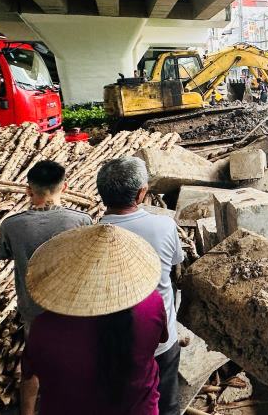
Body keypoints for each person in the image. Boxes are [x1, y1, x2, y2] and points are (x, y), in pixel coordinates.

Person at [22, 224, 166, 415]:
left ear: (68, 275)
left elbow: (31, 373)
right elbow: (161, 340)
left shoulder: (45, 327)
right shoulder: (152, 303)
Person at [0, 160, 92, 412]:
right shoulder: (81, 221)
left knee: (33, 367)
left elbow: (4, 254)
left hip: (33, 309)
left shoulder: (12, 225)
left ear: (29, 190)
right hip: (73, 309)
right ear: (65, 186)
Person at [98, 157, 184, 415]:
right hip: (161, 340)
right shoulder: (164, 225)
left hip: (113, 342)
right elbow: (176, 263)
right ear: (142, 193)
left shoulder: (92, 236)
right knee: (167, 405)